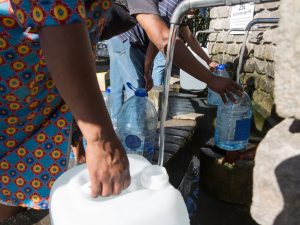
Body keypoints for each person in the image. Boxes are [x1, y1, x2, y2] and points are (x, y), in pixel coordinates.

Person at [0, 0, 130, 222]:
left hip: (33, 103)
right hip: (11, 90)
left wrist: (80, 124)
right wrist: (100, 138)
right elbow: (55, 17)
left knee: (12, 185)